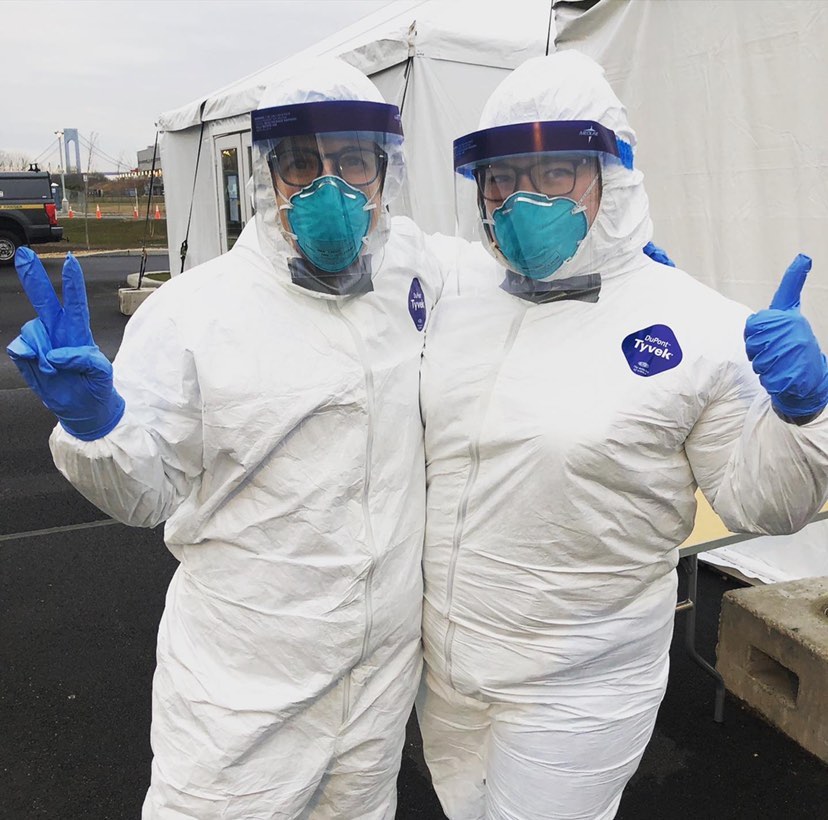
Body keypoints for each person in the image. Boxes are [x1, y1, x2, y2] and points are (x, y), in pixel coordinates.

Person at [7, 58, 442, 819]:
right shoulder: (196, 313)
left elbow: (500, 285)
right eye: (302, 164)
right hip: (241, 689)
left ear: (385, 173)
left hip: (377, 684)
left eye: (353, 162)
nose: (330, 188)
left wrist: (624, 280)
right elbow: (145, 493)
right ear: (269, 177)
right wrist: (97, 426)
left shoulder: (417, 273)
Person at [416, 50, 828, 820]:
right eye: (501, 177)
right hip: (450, 673)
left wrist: (805, 416)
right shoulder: (463, 301)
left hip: (578, 689)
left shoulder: (696, 325)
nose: (520, 198)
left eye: (554, 172)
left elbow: (761, 504)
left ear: (614, 174)